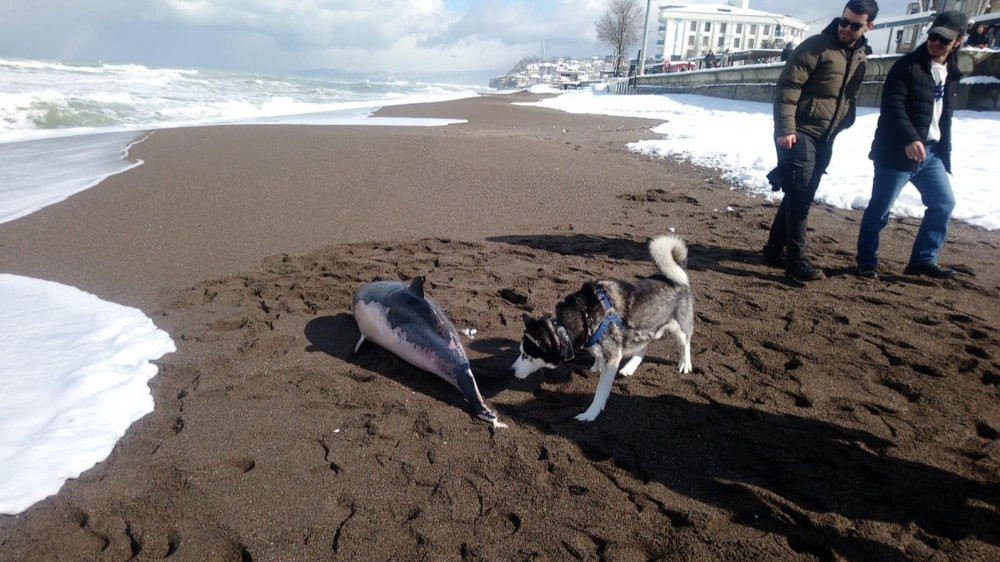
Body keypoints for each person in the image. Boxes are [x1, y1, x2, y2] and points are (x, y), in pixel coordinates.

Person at [762, 0, 878, 282]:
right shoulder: (815, 47)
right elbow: (788, 87)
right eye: (843, 21)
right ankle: (796, 260)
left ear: (868, 26)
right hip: (799, 130)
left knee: (797, 190)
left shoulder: (860, 56)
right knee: (802, 193)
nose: (846, 28)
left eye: (854, 25)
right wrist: (785, 129)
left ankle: (773, 249)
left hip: (826, 135)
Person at [855, 11, 968, 280]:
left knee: (943, 203)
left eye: (943, 39)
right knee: (880, 209)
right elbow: (893, 107)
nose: (936, 42)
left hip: (930, 154)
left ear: (958, 42)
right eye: (933, 36)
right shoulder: (907, 66)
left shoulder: (952, 73)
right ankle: (866, 261)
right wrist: (909, 138)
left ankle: (923, 259)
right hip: (896, 152)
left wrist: (939, 148)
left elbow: (943, 116)